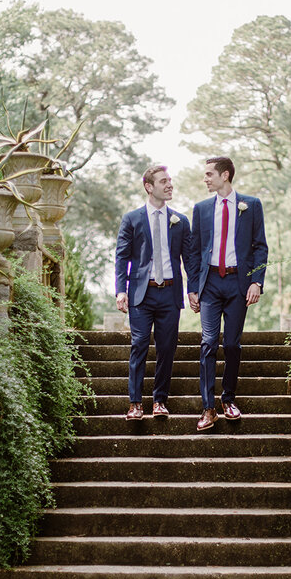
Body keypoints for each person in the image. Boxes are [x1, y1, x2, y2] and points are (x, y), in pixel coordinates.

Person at [190, 156, 268, 431]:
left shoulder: (251, 205)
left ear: (225, 176)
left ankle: (228, 399)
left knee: (232, 344)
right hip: (210, 283)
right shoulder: (200, 209)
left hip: (238, 283)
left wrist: (256, 282)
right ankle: (208, 408)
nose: (206, 179)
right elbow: (194, 250)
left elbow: (260, 246)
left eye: (210, 174)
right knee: (208, 342)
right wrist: (192, 288)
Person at [114, 165, 198, 420]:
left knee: (167, 348)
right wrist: (120, 291)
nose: (169, 184)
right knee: (139, 344)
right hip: (141, 294)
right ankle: (135, 403)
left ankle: (159, 401)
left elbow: (190, 259)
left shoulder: (180, 221)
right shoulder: (132, 219)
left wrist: (193, 289)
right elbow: (121, 257)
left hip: (170, 294)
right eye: (164, 181)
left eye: (170, 180)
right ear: (149, 187)